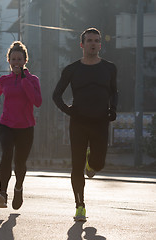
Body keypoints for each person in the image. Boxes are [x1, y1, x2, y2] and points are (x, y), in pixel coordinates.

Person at [52, 28, 118, 221]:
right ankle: (80, 206)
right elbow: (56, 95)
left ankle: (93, 161)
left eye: (96, 41)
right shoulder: (72, 69)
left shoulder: (109, 68)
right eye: (89, 40)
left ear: (100, 45)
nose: (93, 44)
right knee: (77, 166)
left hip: (100, 122)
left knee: (98, 164)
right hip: (79, 123)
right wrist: (68, 110)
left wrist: (113, 109)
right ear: (82, 45)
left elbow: (114, 91)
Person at [0, 41, 42, 210]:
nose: (16, 62)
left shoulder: (32, 80)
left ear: (25, 61)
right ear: (8, 60)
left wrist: (24, 81)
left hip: (26, 127)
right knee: (7, 154)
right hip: (6, 125)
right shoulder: (4, 80)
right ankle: (2, 194)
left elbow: (37, 102)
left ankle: (18, 188)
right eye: (13, 59)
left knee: (20, 162)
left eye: (19, 59)